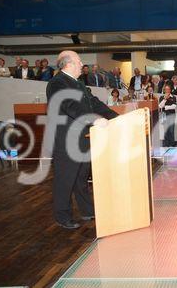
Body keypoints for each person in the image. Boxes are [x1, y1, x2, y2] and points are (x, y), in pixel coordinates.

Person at [46, 50, 118, 229]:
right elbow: (70, 107)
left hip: (83, 138)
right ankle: (62, 216)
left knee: (81, 177)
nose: (82, 65)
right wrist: (94, 119)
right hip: (66, 140)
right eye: (79, 62)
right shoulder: (57, 83)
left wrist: (116, 118)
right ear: (68, 64)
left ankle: (86, 210)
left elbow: (94, 103)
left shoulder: (78, 83)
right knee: (65, 179)